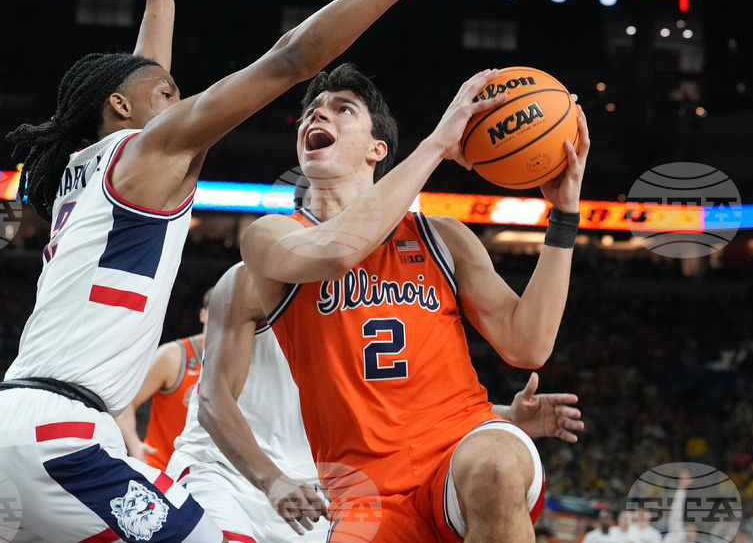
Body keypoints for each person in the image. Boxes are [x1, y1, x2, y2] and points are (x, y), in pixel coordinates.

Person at [0, 0, 503, 543]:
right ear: (126, 111)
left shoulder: (88, 164)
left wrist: (163, 5)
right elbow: (293, 58)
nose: (184, 104)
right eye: (170, 96)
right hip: (63, 435)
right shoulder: (147, 150)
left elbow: (139, 89)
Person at [240, 59, 590, 543]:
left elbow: (528, 345)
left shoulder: (442, 237)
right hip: (363, 489)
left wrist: (565, 216)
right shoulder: (271, 236)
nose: (319, 116)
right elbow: (339, 251)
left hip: (460, 445)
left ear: (377, 149)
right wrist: (438, 145)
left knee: (494, 468)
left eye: (343, 109)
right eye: (311, 112)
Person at [182, 263, 584, 541]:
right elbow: (212, 400)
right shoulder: (251, 284)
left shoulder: (369, 300)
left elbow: (394, 404)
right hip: (230, 470)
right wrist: (270, 479)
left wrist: (505, 414)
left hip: (309, 489)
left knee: (496, 468)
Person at [116, 288, 211, 469]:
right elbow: (125, 401)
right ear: (203, 315)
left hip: (212, 480)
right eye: (217, 313)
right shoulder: (173, 356)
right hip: (163, 472)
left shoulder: (248, 361)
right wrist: (134, 444)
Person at [662, 470, 698, 543]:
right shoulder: (677, 534)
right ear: (685, 529)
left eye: (694, 531)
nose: (692, 532)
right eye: (690, 529)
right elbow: (676, 514)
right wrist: (682, 488)